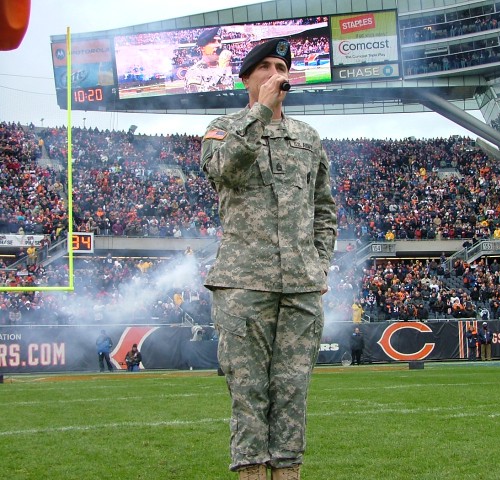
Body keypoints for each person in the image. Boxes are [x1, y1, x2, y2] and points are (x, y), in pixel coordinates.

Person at [200, 38, 337, 480]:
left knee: (293, 392)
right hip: (243, 284)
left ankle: (289, 474)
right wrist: (259, 111)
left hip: (301, 286)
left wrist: (319, 265)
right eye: (266, 67)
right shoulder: (223, 127)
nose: (277, 73)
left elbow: (324, 209)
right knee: (248, 392)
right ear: (246, 78)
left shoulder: (308, 138)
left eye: (282, 66)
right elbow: (225, 170)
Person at [184, 27, 234, 93]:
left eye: (219, 41)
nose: (218, 45)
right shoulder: (194, 71)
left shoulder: (225, 67)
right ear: (202, 48)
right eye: (213, 41)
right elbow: (198, 98)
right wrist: (221, 70)